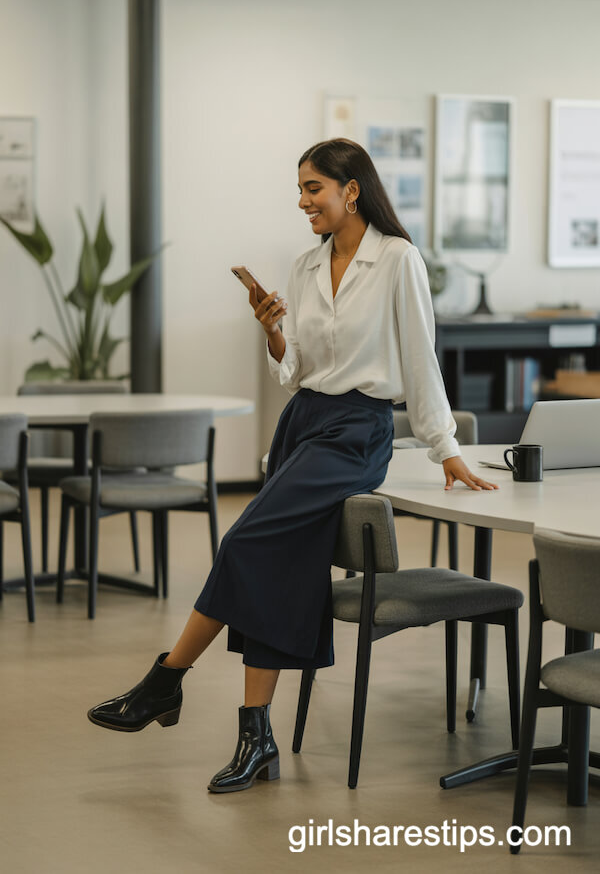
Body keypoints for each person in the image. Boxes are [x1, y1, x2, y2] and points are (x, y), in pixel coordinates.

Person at [87, 138, 497, 793]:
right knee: (284, 566)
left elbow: (421, 359)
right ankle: (257, 736)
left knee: (246, 539)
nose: (302, 201)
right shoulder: (307, 267)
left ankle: (165, 680)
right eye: (300, 190)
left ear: (351, 189)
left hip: (355, 433)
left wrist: (444, 445)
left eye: (313, 188)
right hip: (303, 422)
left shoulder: (398, 260)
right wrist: (272, 328)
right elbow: (296, 369)